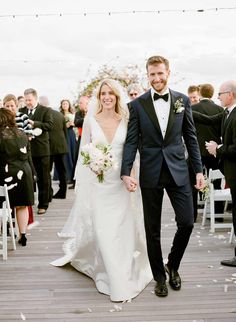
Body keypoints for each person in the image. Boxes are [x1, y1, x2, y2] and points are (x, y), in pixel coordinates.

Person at [51, 79, 152, 302]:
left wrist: (132, 176)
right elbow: (84, 152)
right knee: (104, 230)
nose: (107, 97)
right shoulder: (90, 119)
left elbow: (133, 150)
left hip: (122, 182)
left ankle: (123, 274)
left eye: (111, 94)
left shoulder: (126, 118)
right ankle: (111, 276)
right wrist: (91, 167)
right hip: (99, 183)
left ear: (117, 97)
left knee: (122, 229)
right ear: (99, 97)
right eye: (103, 93)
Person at [121, 55, 204, 297]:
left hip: (179, 170)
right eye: (152, 74)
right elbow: (131, 142)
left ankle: (173, 266)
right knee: (152, 228)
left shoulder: (182, 100)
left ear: (168, 72)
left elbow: (191, 137)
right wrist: (126, 171)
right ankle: (159, 277)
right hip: (151, 172)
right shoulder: (136, 106)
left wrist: (198, 170)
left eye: (160, 73)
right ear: (147, 76)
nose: (156, 78)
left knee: (187, 222)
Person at [193, 80, 236, 267]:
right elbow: (208, 120)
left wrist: (217, 148)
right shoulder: (226, 113)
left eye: (220, 93)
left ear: (230, 94)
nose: (218, 97)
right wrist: (186, 110)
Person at [0, 108, 35, 246]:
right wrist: (33, 174)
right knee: (22, 206)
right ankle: (23, 234)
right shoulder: (22, 133)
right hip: (24, 172)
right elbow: (28, 156)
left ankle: (2, 232)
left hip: (5, 173)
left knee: (3, 205)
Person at [191, 84, 224, 221]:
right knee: (215, 182)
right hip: (213, 150)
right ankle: (218, 215)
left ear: (199, 93)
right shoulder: (220, 110)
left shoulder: (192, 109)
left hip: (197, 150)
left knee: (194, 181)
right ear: (212, 93)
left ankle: (192, 214)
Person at [20, 88, 53, 215]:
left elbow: (49, 125)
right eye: (26, 100)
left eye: (30, 100)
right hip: (25, 149)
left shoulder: (46, 110)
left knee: (43, 178)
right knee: (27, 178)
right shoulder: (21, 111)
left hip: (41, 149)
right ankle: (26, 204)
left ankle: (43, 204)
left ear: (36, 98)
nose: (28, 102)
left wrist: (35, 124)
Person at [59, 99, 77, 185]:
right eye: (63, 104)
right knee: (66, 154)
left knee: (72, 154)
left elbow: (77, 124)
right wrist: (65, 125)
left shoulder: (73, 114)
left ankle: (72, 176)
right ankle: (66, 176)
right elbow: (58, 126)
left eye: (66, 104)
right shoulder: (60, 115)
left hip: (71, 134)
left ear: (69, 105)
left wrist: (73, 124)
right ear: (61, 105)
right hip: (63, 135)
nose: (65, 105)